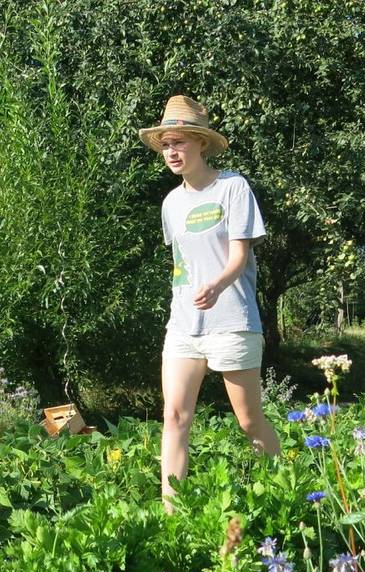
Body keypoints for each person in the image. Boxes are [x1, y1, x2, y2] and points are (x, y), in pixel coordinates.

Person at [138, 95, 280, 512]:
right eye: (166, 144)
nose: (171, 151)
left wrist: (216, 285)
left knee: (248, 420)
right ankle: (171, 515)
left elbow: (239, 257)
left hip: (232, 320)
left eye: (179, 142)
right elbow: (182, 264)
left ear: (201, 143)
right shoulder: (171, 203)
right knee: (174, 417)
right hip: (183, 326)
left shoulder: (233, 188)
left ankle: (283, 488)